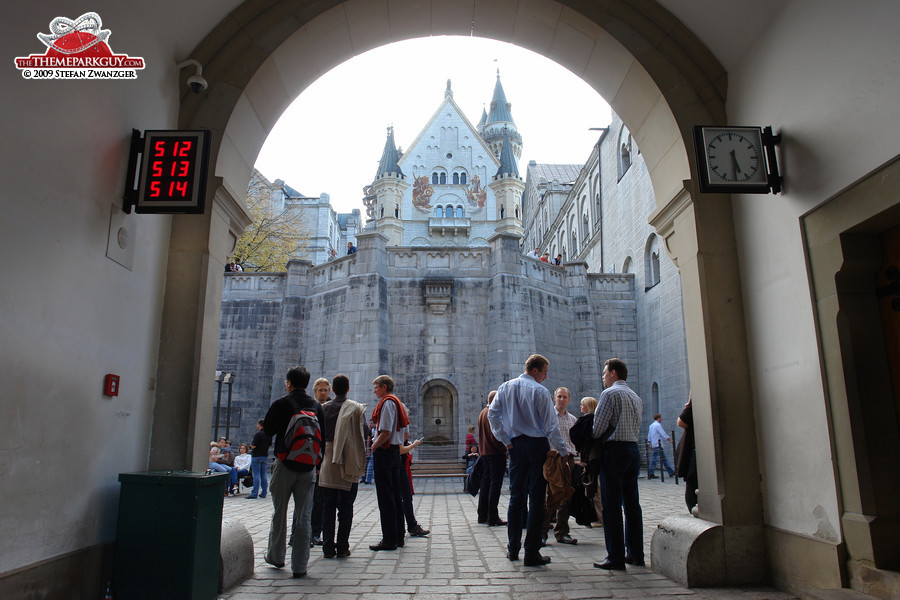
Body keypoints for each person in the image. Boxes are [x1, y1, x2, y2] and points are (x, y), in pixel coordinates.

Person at [488, 353, 568, 567]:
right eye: (544, 372)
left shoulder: (505, 387)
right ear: (535, 370)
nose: (545, 376)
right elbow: (551, 426)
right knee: (536, 498)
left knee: (516, 497)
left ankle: (513, 549)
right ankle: (531, 551)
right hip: (536, 446)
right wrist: (563, 450)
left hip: (515, 446)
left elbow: (492, 415)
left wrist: (505, 440)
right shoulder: (540, 391)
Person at [263, 365, 325, 579]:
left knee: (279, 512)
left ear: (289, 382)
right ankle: (300, 565)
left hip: (285, 465)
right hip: (308, 469)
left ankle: (276, 557)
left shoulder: (281, 403)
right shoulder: (317, 406)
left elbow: (268, 431)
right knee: (304, 516)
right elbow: (323, 440)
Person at [592, 358, 644, 570]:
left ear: (613, 373)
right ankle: (636, 553)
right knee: (632, 504)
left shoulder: (609, 394)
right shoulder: (635, 396)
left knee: (611, 505)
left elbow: (598, 428)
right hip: (633, 449)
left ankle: (615, 556)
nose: (603, 376)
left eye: (605, 373)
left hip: (614, 452)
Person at [318, 374, 366, 558]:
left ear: (332, 390)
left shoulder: (323, 408)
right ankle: (343, 546)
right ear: (348, 389)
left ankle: (328, 547)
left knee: (327, 506)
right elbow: (361, 434)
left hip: (328, 458)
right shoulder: (354, 409)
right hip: (348, 457)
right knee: (346, 507)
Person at [368, 374, 409, 551]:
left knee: (385, 498)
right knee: (395, 495)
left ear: (384, 387)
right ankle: (398, 536)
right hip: (395, 452)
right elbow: (406, 433)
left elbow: (384, 431)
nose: (374, 390)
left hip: (385, 452)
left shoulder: (386, 403)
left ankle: (389, 539)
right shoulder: (399, 403)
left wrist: (373, 447)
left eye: (376, 387)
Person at [542, 387, 579, 546]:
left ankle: (562, 532)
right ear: (555, 398)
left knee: (566, 496)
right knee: (550, 496)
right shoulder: (548, 417)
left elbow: (576, 441)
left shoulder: (573, 420)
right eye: (559, 396)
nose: (561, 399)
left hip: (569, 459)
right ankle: (542, 533)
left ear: (569, 399)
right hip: (554, 459)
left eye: (564, 397)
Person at [477, 390, 507, 527]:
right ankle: (493, 516)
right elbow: (494, 435)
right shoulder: (492, 413)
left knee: (486, 483)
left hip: (485, 453)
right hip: (495, 453)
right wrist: (504, 448)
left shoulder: (483, 412)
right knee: (495, 484)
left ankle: (482, 514)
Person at [397, 428, 429, 539]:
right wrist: (413, 445)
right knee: (404, 496)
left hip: (401, 463)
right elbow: (400, 449)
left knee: (405, 496)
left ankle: (408, 525)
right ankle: (408, 526)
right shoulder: (397, 430)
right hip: (398, 463)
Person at [676, 395, 698, 515]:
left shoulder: (697, 397)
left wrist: (690, 403)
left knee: (692, 492)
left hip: (695, 451)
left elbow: (681, 422)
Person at [647, 413, 675, 478]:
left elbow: (649, 436)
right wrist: (670, 440)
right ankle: (651, 473)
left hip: (654, 444)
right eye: (661, 418)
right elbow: (663, 433)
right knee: (656, 459)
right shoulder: (657, 425)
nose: (661, 419)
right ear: (658, 418)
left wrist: (650, 444)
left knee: (663, 459)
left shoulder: (651, 426)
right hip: (658, 444)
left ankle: (670, 472)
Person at [248, 419, 271, 499]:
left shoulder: (258, 434)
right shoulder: (269, 434)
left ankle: (254, 493)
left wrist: (250, 446)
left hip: (257, 456)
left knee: (256, 475)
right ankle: (264, 492)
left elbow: (254, 446)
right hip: (265, 456)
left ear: (259, 425)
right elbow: (269, 446)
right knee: (263, 474)